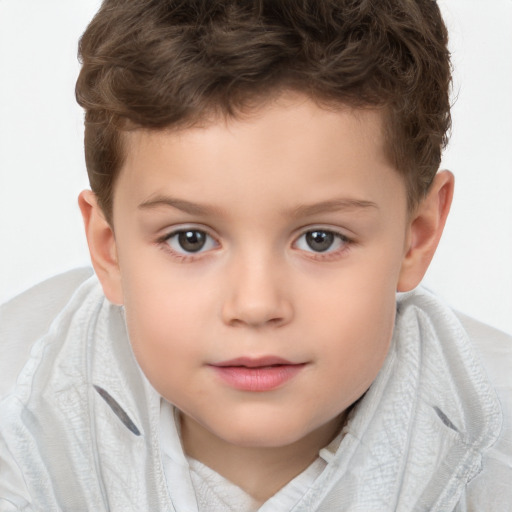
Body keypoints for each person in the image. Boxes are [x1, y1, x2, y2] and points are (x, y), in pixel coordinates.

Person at [0, 0, 511, 510]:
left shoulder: (497, 458)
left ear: (415, 237)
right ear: (108, 251)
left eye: (320, 239)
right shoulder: (19, 424)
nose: (255, 304)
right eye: (190, 239)